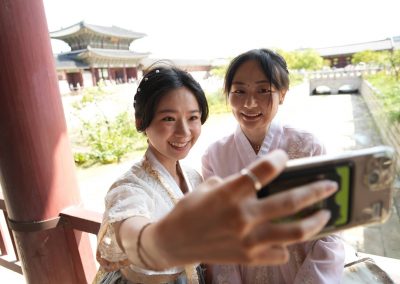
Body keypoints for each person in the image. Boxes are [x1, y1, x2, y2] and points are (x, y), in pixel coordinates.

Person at [95, 65, 338, 284]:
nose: (184, 131)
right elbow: (131, 230)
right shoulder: (130, 187)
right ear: (141, 121)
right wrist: (155, 245)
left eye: (193, 117)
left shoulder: (194, 177)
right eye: (168, 118)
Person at [202, 49, 345, 283]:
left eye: (263, 90)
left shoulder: (308, 147)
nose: (249, 103)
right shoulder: (214, 155)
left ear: (283, 94)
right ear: (227, 94)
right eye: (239, 91)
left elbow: (330, 230)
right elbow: (220, 237)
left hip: (301, 271)